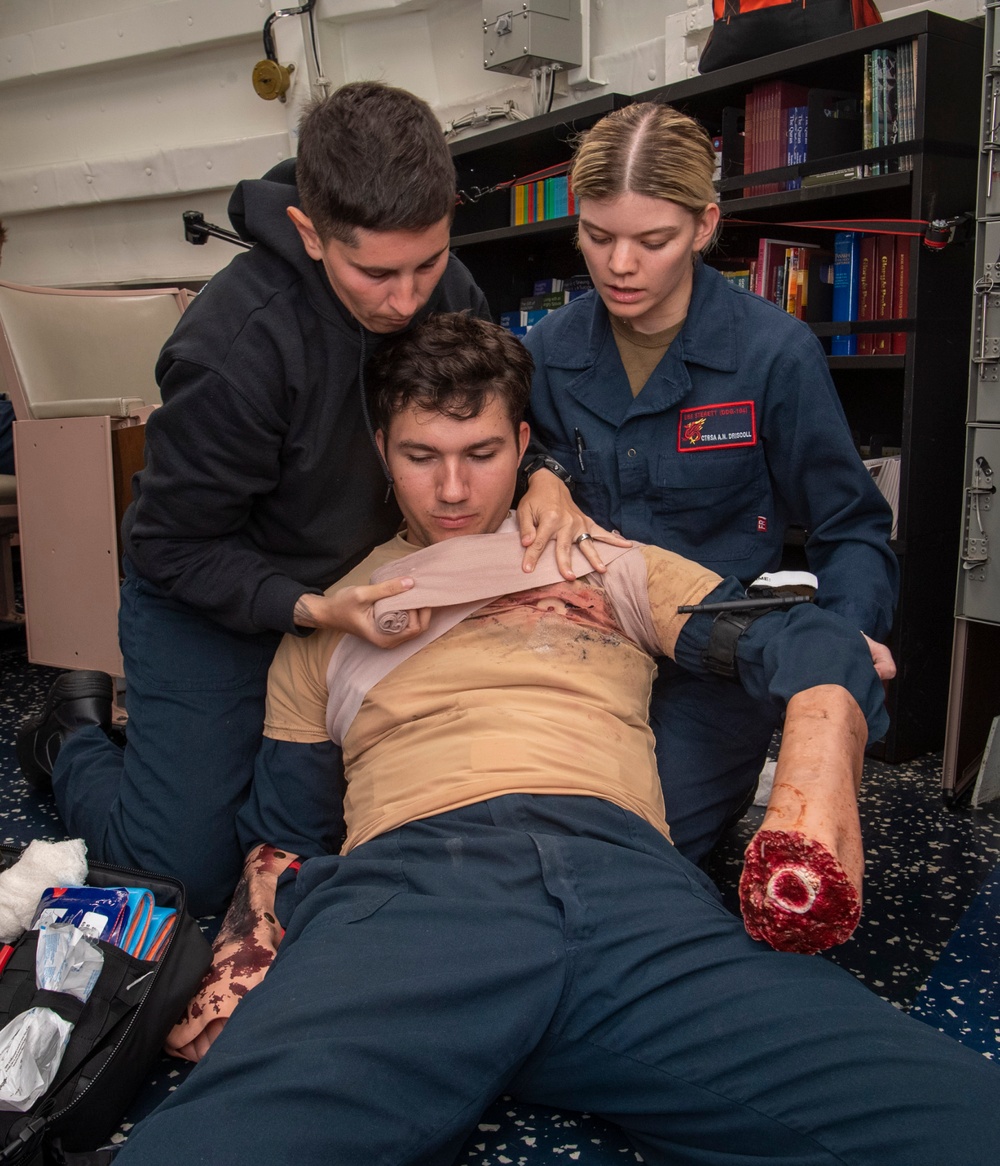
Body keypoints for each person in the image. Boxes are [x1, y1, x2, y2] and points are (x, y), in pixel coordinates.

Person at [116, 314, 999, 1166]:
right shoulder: (330, 624)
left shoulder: (605, 563)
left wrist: (823, 708)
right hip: (415, 893)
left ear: (525, 444)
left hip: (633, 892)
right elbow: (287, 828)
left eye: (483, 454)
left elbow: (774, 636)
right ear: (381, 451)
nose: (453, 490)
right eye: (422, 457)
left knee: (951, 1121)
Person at [14, 83, 608, 917]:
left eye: (428, 262)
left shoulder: (449, 286)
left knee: (324, 838)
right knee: (185, 878)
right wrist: (317, 610)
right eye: (375, 272)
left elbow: (495, 410)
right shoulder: (232, 349)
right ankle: (69, 737)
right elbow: (169, 548)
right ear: (308, 232)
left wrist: (544, 468)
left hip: (362, 581)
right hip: (213, 600)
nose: (408, 301)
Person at [524, 103, 900, 864]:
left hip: (715, 663)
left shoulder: (773, 353)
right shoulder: (548, 349)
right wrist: (541, 478)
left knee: (644, 847)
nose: (619, 265)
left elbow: (849, 525)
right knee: (531, 827)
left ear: (703, 226)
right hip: (579, 643)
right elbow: (526, 456)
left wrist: (844, 639)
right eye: (598, 237)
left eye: (652, 240)